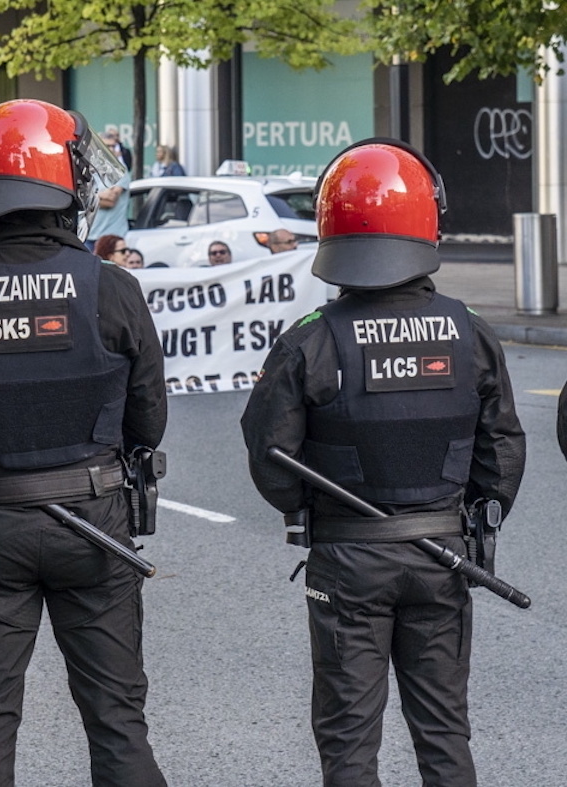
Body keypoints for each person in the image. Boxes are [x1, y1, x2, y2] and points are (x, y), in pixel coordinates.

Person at [0, 99, 169, 787]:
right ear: (61, 183)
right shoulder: (112, 288)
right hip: (96, 521)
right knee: (117, 720)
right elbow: (149, 422)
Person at [240, 138, 526, 787]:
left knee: (348, 741)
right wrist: (474, 513)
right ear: (430, 223)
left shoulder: (309, 339)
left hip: (347, 559)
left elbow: (271, 457)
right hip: (442, 554)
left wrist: (311, 505)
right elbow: (502, 448)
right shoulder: (470, 330)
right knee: (445, 733)